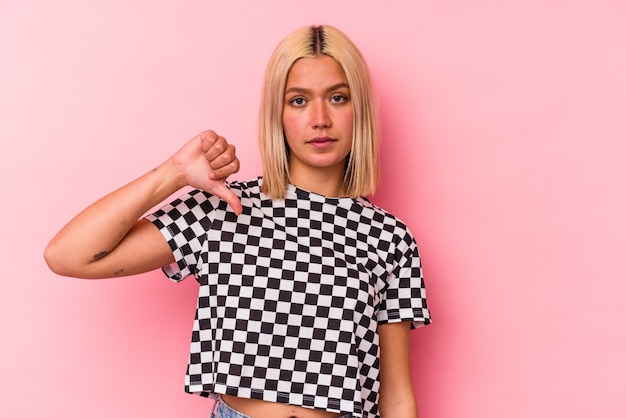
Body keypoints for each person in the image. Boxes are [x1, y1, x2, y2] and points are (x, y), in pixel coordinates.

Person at [45, 25, 431, 418]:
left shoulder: (389, 237)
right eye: (298, 100)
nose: (319, 119)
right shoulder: (225, 208)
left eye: (337, 98)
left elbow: (397, 395)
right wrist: (173, 173)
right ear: (276, 114)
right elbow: (69, 256)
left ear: (359, 109)